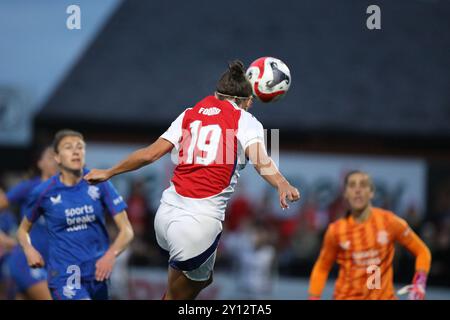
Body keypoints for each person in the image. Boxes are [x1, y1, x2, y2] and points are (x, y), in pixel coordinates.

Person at [84, 60, 301, 300]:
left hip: (165, 217)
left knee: (199, 280)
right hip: (197, 224)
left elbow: (149, 154)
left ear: (216, 93)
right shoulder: (245, 121)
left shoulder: (190, 113)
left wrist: (109, 172)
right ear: (248, 100)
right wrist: (281, 183)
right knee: (183, 294)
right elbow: (261, 160)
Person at [16, 130, 134, 300]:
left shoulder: (100, 183)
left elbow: (127, 231)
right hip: (64, 276)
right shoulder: (43, 192)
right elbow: (22, 230)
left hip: (98, 275)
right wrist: (29, 249)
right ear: (57, 157)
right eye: (68, 147)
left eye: (80, 147)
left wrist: (110, 255)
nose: (76, 151)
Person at [308, 170, 432, 300]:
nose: (357, 190)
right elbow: (322, 267)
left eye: (363, 185)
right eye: (352, 185)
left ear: (371, 192)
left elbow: (422, 251)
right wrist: (313, 297)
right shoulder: (336, 230)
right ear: (345, 194)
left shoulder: (389, 222)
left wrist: (419, 283)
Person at [0, 146, 58, 300]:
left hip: (52, 267)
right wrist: (4, 239)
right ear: (40, 163)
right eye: (51, 157)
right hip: (27, 262)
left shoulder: (68, 192)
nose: (57, 160)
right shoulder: (30, 186)